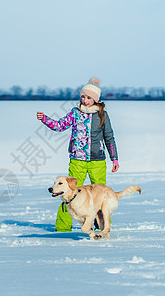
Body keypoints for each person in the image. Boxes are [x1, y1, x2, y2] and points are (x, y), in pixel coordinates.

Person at [36, 77, 119, 232]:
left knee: (100, 196)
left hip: (98, 161)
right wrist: (45, 119)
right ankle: (62, 229)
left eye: (89, 97)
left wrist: (114, 158)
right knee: (68, 194)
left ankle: (103, 228)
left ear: (95, 99)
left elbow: (109, 137)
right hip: (77, 160)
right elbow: (59, 126)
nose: (85, 100)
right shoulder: (75, 113)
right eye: (83, 97)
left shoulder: (102, 115)